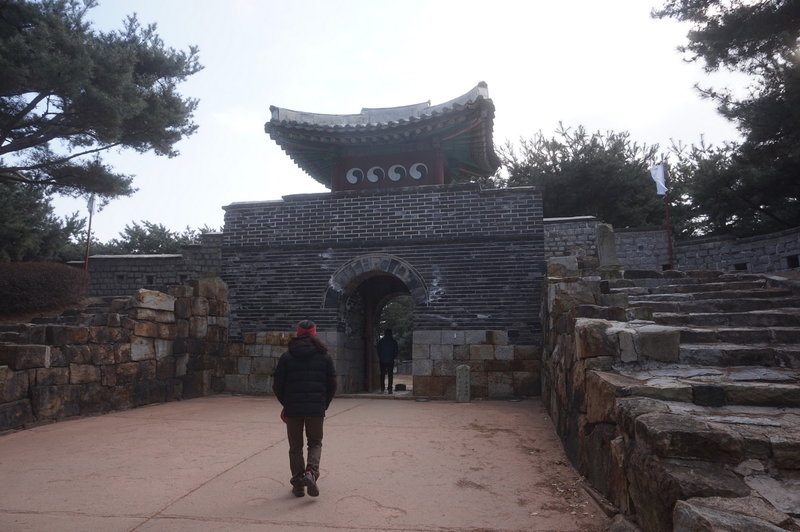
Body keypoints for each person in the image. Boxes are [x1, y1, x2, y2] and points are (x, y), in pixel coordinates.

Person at [273, 319, 337, 498]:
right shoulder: (324, 356)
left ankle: (298, 484)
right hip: (316, 408)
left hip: (293, 409)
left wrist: (286, 403)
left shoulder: (287, 356)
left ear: (298, 333)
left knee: (295, 446)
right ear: (315, 333)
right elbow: (332, 384)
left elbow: (277, 385)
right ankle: (311, 473)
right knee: (315, 443)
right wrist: (323, 404)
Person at [376, 328, 399, 394]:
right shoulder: (393, 341)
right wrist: (393, 357)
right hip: (390, 360)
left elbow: (378, 350)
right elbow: (396, 351)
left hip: (382, 360)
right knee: (390, 375)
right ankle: (390, 389)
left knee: (382, 375)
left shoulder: (381, 341)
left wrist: (380, 357)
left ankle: (382, 388)